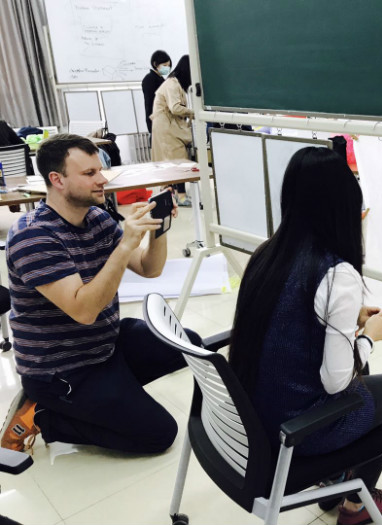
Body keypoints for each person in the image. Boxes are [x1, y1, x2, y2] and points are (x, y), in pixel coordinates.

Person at [229, 147, 382, 524]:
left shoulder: (267, 254)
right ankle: (356, 504)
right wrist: (369, 336)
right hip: (295, 433)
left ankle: (335, 480)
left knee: (365, 377)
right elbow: (336, 382)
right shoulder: (337, 274)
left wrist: (346, 319)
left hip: (253, 421)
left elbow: (287, 322)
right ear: (341, 207)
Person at [0, 134, 201, 454]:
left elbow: (149, 268)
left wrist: (158, 230)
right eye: (89, 173)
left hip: (104, 343)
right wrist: (125, 245)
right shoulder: (33, 236)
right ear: (57, 180)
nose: (102, 179)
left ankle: (108, 395)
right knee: (159, 435)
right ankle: (45, 416)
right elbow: (84, 311)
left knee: (189, 344)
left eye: (100, 170)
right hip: (61, 369)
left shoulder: (96, 218)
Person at [151, 55, 193, 205]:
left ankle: (173, 195)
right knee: (178, 162)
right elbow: (175, 108)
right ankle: (180, 197)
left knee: (173, 162)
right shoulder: (172, 84)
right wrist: (194, 113)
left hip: (167, 126)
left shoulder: (175, 83)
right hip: (167, 128)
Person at [141, 50, 171, 134]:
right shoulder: (149, 79)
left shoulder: (160, 78)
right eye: (164, 65)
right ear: (155, 64)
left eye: (168, 65)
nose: (167, 68)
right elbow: (151, 103)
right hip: (156, 121)